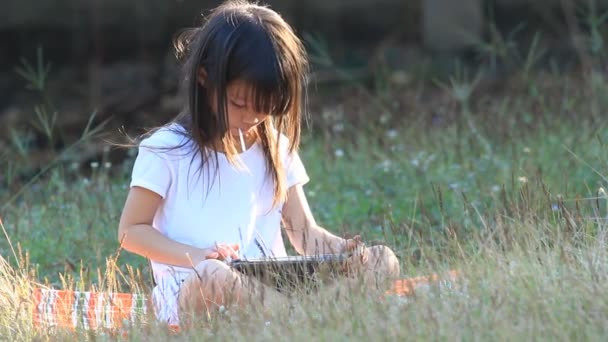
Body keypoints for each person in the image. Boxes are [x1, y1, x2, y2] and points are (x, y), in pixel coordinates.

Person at [117, 0, 400, 327]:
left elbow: (304, 232)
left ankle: (295, 319)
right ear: (205, 78)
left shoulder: (274, 147)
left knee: (383, 260)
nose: (251, 117)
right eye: (239, 103)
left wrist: (340, 252)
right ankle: (311, 322)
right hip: (195, 288)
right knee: (214, 276)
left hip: (275, 288)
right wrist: (198, 256)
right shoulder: (166, 150)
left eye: (266, 107)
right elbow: (131, 231)